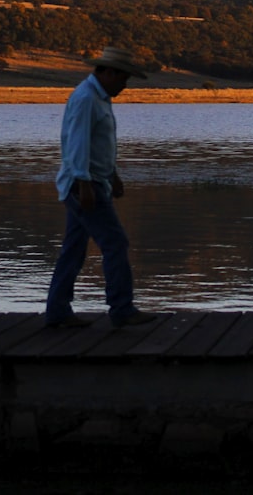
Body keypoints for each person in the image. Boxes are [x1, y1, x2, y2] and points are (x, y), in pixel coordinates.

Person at [45, 46, 156, 328]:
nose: (125, 85)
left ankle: (57, 312)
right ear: (108, 72)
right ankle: (122, 309)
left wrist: (112, 175)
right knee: (115, 243)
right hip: (85, 185)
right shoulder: (86, 99)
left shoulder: (98, 97)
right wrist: (84, 184)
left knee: (74, 248)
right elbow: (77, 143)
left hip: (92, 181)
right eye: (123, 78)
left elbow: (97, 145)